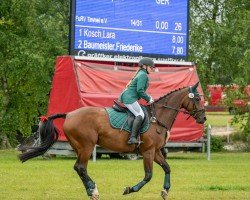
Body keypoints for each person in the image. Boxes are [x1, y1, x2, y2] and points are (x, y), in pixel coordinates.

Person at [119, 57, 155, 145]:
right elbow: (140, 90)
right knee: (140, 115)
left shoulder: (140, 73)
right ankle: (132, 138)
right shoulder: (143, 75)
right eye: (151, 67)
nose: (152, 69)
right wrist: (149, 99)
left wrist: (148, 97)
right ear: (145, 66)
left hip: (128, 96)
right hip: (129, 98)